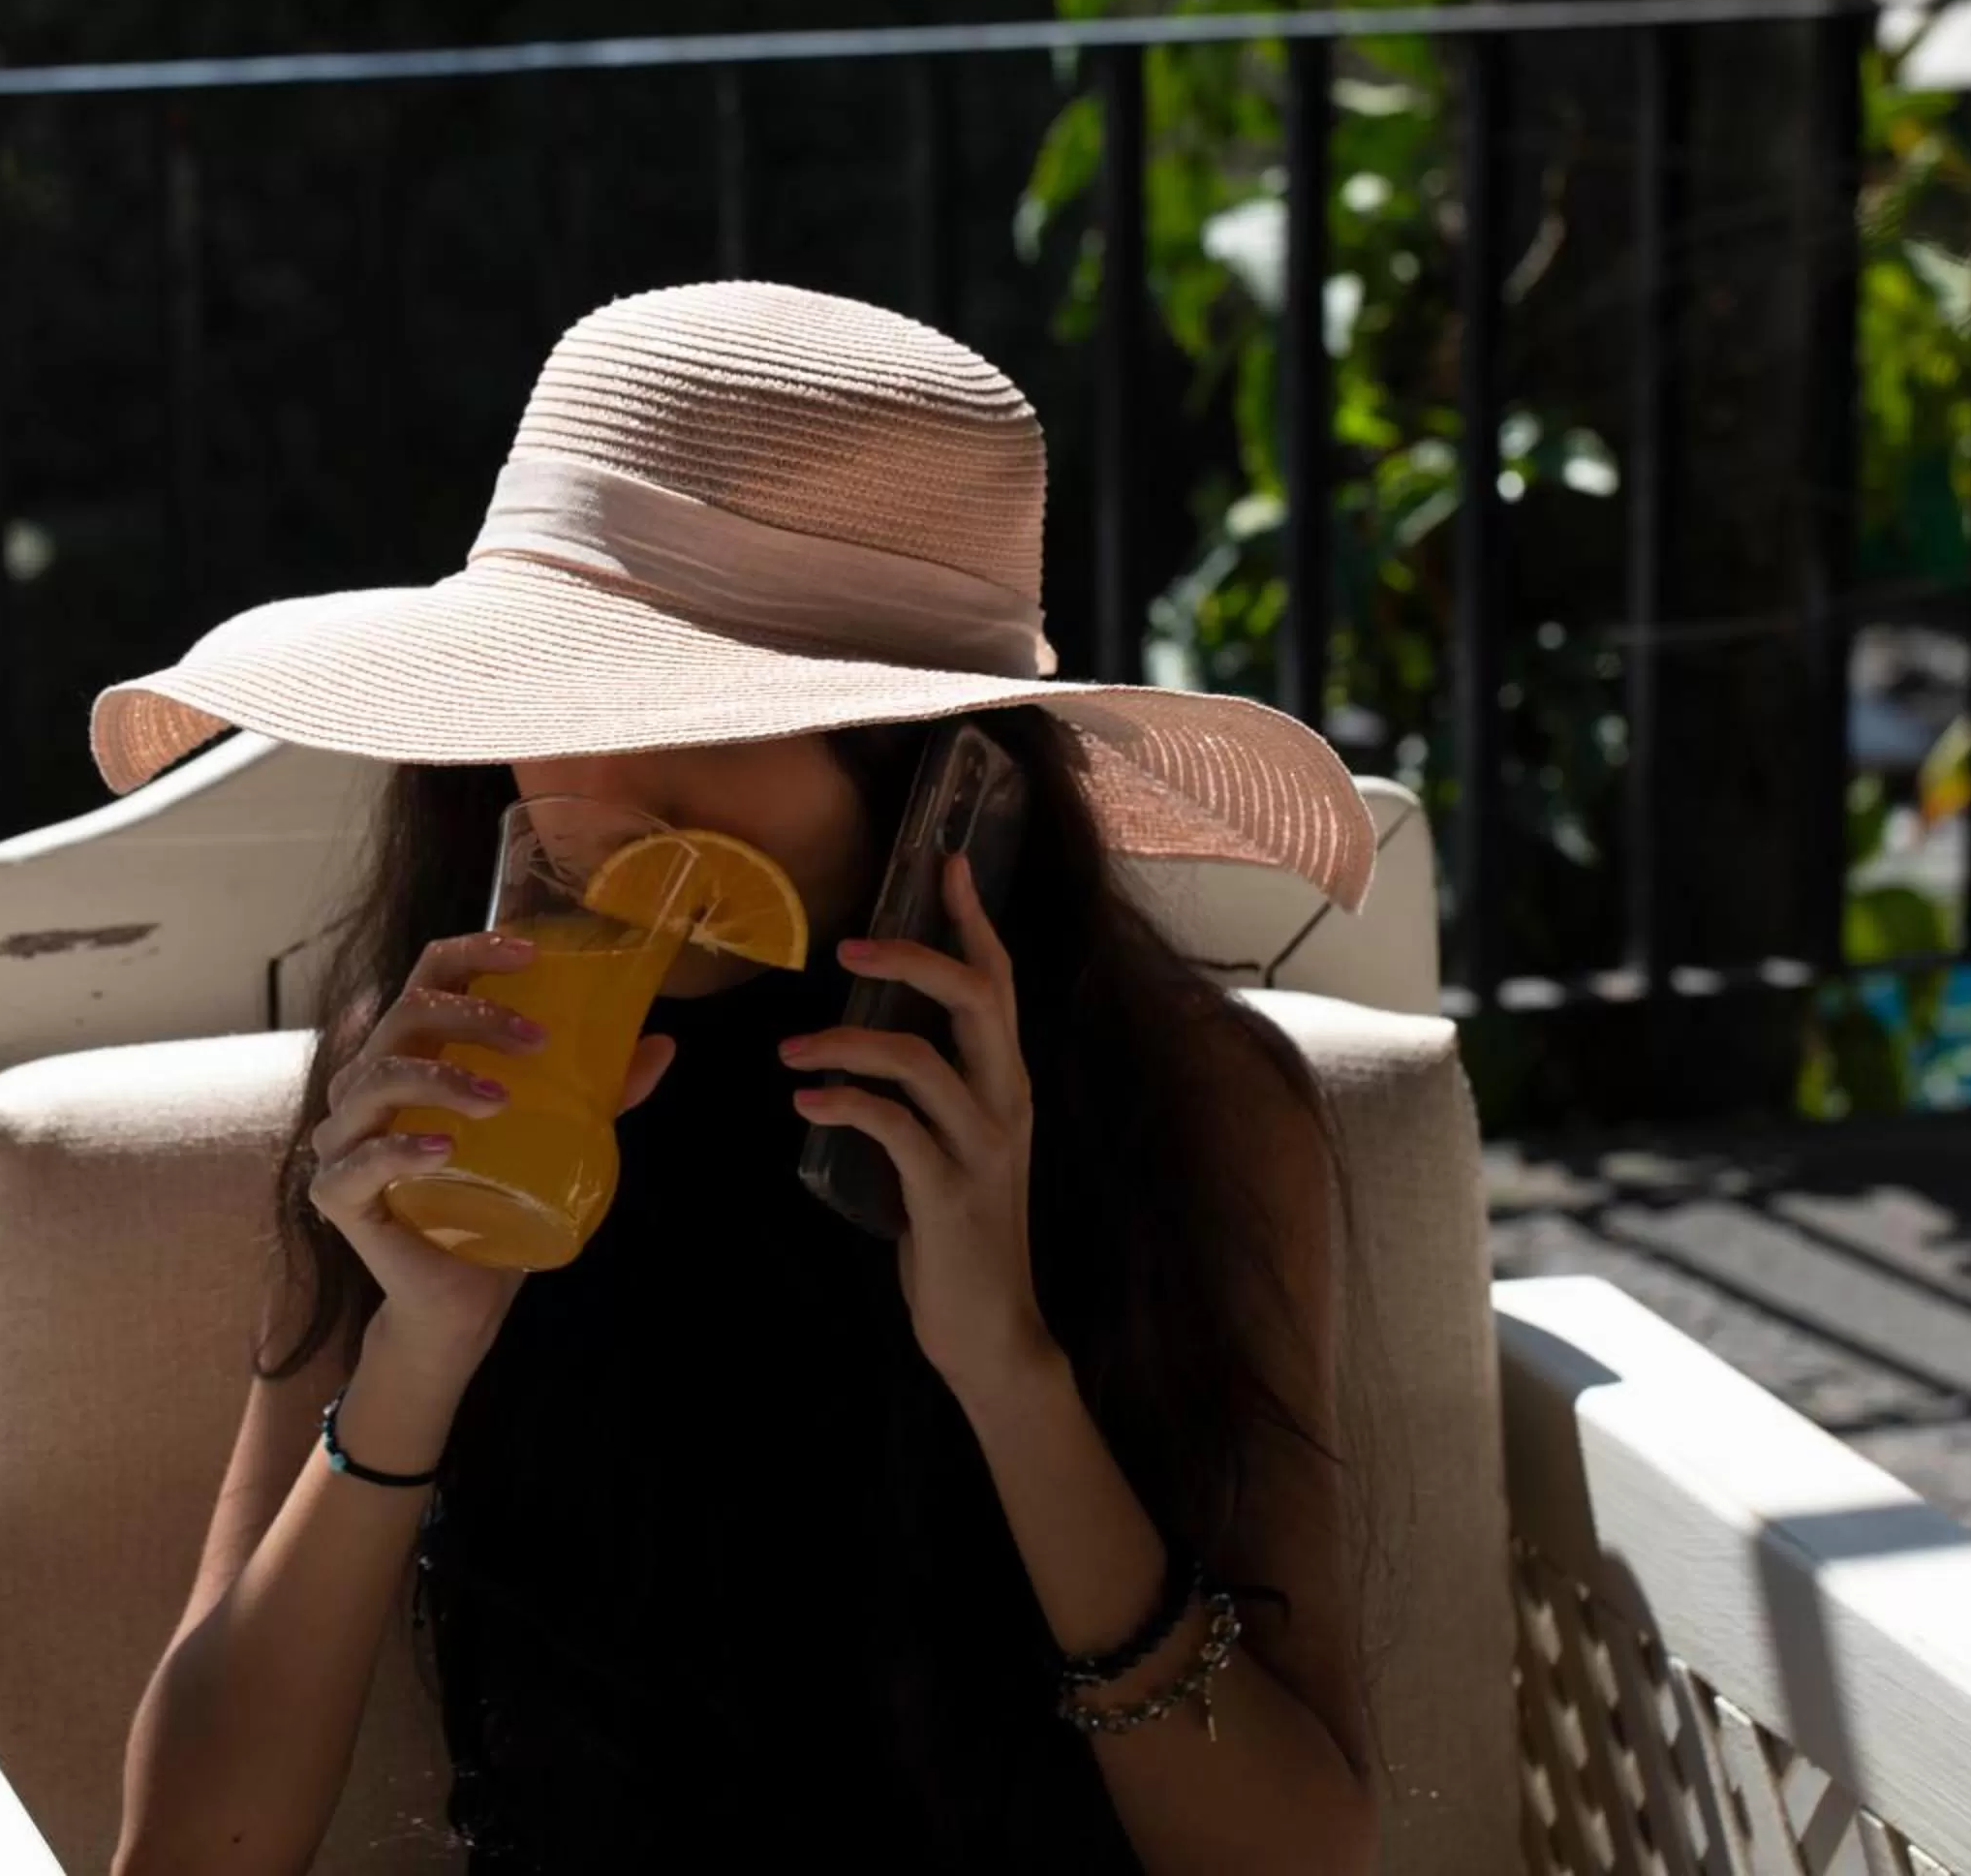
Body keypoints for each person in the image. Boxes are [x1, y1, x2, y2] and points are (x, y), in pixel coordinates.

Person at [101, 282, 1386, 1874]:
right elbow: (189, 1855)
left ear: (927, 762)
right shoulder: (444, 1069)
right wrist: (418, 1351)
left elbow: (1301, 1859)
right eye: (552, 702)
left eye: (704, 717)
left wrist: (1009, 1369)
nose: (608, 801)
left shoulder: (1186, 1101)